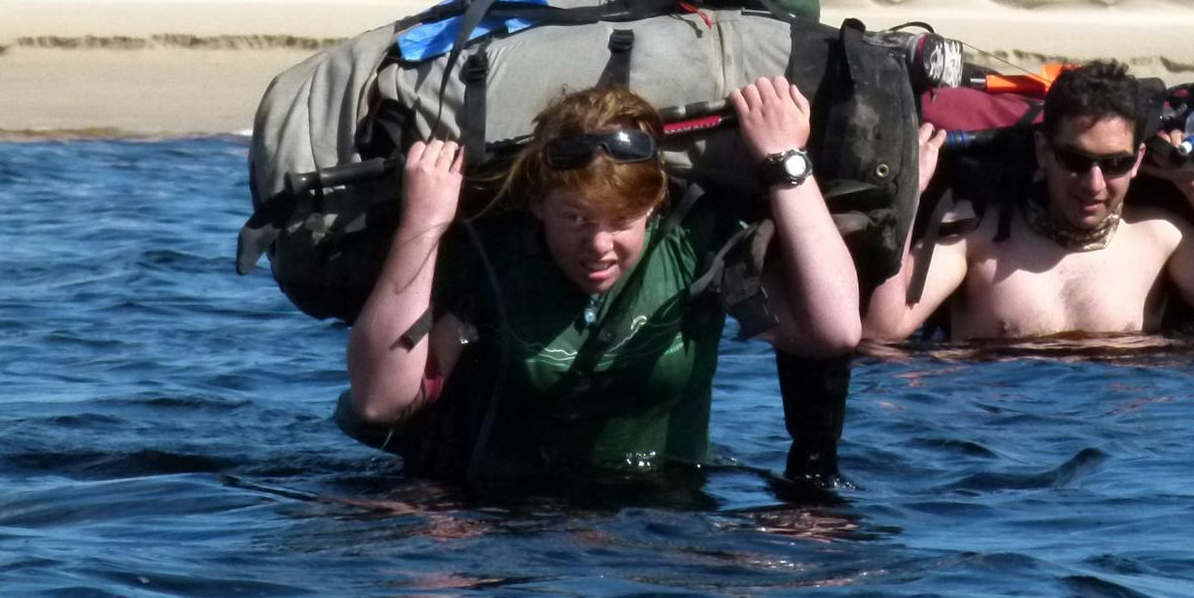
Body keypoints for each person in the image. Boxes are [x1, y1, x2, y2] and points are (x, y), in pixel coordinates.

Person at [340, 76, 861, 484]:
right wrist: (424, 221)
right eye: (576, 220)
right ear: (538, 203)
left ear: (655, 204)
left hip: (662, 521)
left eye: (621, 222)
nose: (598, 246)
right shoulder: (495, 258)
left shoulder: (696, 245)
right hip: (508, 524)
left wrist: (787, 164)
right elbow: (380, 401)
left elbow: (834, 330)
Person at [863, 60, 1194, 343]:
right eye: (1075, 160)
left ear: (1139, 160)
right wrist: (907, 197)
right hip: (997, 449)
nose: (1094, 183)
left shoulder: (1159, 238)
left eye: (1115, 164)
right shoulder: (975, 232)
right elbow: (882, 330)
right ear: (1043, 151)